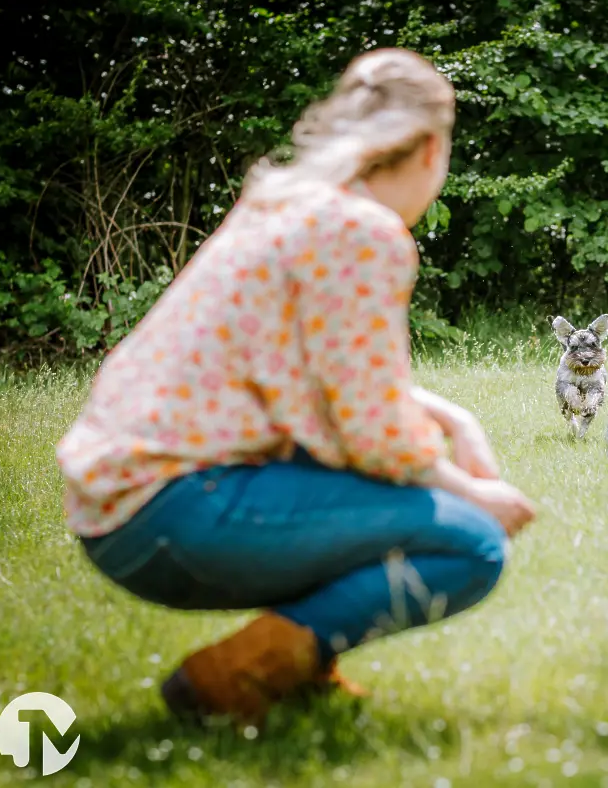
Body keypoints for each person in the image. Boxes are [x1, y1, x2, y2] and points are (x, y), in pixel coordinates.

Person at [56, 49, 536, 727]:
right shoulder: (365, 232)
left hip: (118, 502)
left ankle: (302, 669)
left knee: (363, 482)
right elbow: (373, 431)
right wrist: (474, 491)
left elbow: (334, 379)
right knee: (471, 542)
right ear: (432, 148)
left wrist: (454, 419)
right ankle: (229, 681)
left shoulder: (285, 202)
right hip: (171, 506)